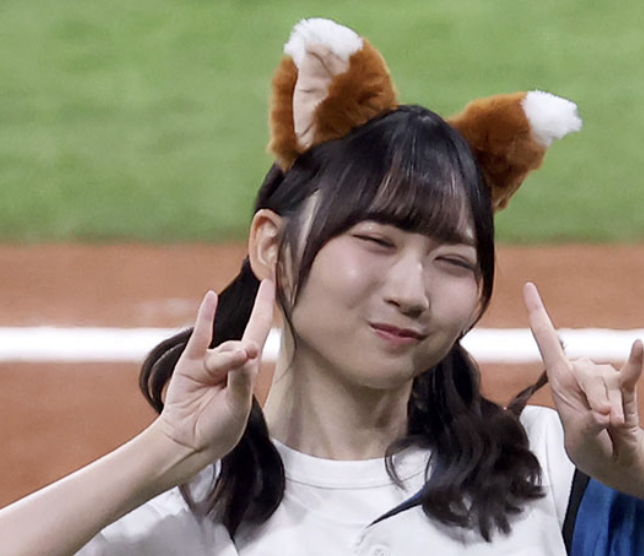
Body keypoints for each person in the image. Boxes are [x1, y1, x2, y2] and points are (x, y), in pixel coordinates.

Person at [1, 17, 643, 556]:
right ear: (271, 247)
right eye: (376, 241)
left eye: (452, 260)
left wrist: (635, 478)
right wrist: (164, 453)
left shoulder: (553, 471)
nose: (412, 292)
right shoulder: (172, 516)